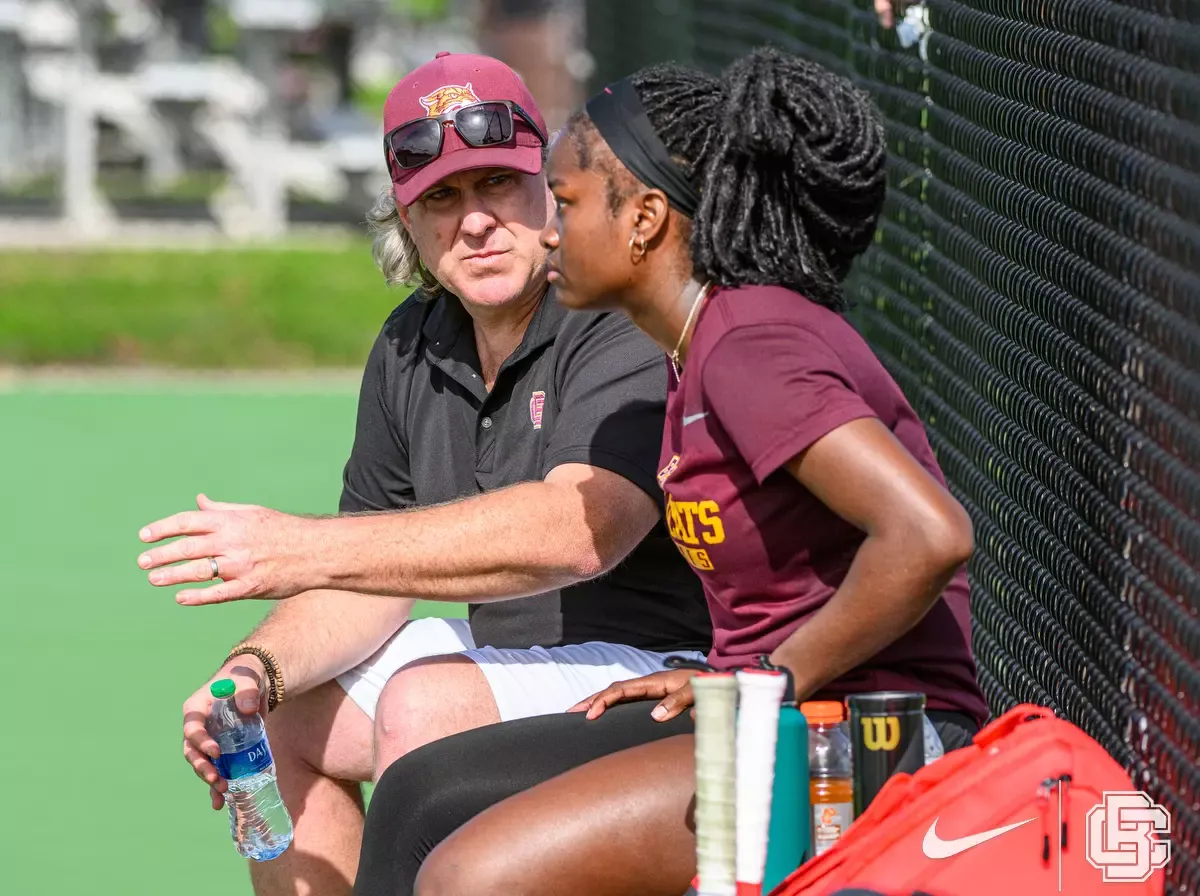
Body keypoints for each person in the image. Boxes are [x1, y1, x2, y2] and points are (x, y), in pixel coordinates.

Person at [355, 46, 989, 896]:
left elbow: (930, 533)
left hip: (868, 739)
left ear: (645, 220)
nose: (547, 231)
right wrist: (736, 675)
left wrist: (770, 675)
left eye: (567, 203)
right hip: (770, 714)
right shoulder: (692, 352)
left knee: (469, 873)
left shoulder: (749, 344)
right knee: (418, 795)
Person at [142, 51, 710, 896]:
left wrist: (301, 547)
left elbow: (580, 532)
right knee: (283, 718)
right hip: (517, 670)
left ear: (549, 190)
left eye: (497, 186)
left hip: (671, 669)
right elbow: (369, 577)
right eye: (441, 198)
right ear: (405, 221)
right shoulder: (410, 341)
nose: (474, 222)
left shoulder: (609, 312)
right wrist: (251, 672)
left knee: (423, 702)